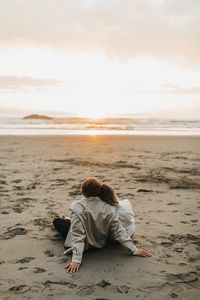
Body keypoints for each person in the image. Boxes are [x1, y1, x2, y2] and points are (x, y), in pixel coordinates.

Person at [53, 177, 152, 274]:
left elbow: (77, 235)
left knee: (57, 221)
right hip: (100, 243)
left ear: (82, 191)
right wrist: (134, 249)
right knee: (73, 221)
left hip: (85, 244)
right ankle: (69, 220)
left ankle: (68, 220)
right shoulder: (109, 207)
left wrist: (76, 260)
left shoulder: (77, 207)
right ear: (99, 190)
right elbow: (119, 231)